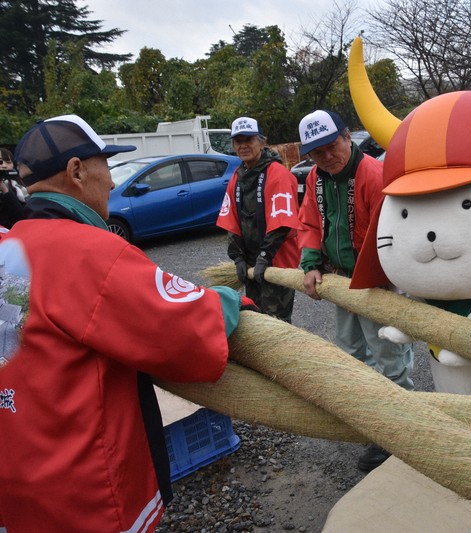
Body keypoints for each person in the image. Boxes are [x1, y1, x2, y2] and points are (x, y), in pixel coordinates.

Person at [0, 114, 254, 532]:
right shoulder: (87, 251)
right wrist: (232, 300)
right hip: (84, 495)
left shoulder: (10, 244)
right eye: (106, 166)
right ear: (76, 171)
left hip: (19, 484)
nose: (112, 181)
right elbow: (182, 328)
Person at [297, 109, 414, 472]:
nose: (326, 157)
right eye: (317, 153)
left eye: (332, 146)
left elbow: (390, 236)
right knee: (351, 352)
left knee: (389, 355)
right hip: (341, 280)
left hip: (379, 281)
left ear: (348, 137)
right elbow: (310, 223)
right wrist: (311, 264)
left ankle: (400, 430)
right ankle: (371, 415)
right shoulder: (316, 178)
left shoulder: (374, 175)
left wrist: (370, 282)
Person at [217, 116, 300, 322]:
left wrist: (264, 257)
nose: (243, 146)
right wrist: (238, 258)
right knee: (256, 316)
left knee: (276, 320)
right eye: (238, 141)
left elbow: (282, 224)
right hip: (251, 264)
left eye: (249, 140)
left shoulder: (278, 174)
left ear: (262, 142)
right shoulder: (237, 177)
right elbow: (231, 221)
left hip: (276, 261)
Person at [0, 148, 25, 227]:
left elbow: (21, 218)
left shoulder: (21, 189)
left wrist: (5, 190)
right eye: (0, 161)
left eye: (8, 162)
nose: (3, 165)